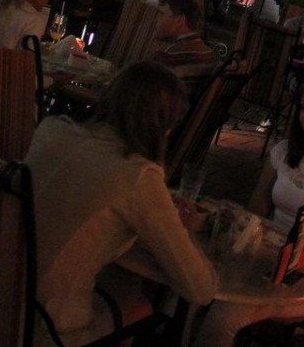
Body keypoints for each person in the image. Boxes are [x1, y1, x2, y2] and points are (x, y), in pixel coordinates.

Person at [26, 62, 217, 345]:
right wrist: (184, 227)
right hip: (46, 328)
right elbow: (201, 289)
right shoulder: (137, 176)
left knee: (124, 282)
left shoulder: (51, 129)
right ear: (165, 127)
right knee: (140, 307)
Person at [195, 72, 304, 347]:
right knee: (194, 278)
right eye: (303, 108)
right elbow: (257, 207)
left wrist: (275, 263)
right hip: (261, 255)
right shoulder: (284, 152)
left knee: (224, 314)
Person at [150, 0, 218, 93]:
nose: (155, 20)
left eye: (161, 14)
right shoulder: (209, 54)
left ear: (179, 20)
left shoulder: (170, 58)